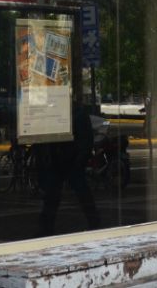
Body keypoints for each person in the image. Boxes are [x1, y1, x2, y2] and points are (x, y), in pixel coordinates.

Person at [38, 100, 100, 235]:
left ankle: (94, 222)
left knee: (81, 193)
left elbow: (86, 140)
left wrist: (80, 159)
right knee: (53, 196)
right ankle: (46, 228)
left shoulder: (78, 114)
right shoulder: (64, 113)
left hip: (72, 161)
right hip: (60, 160)